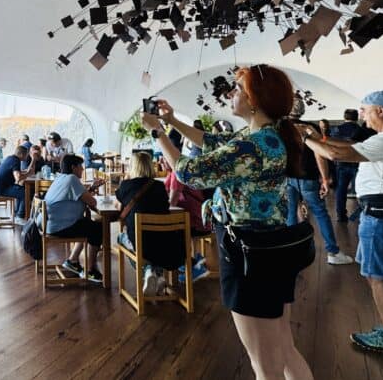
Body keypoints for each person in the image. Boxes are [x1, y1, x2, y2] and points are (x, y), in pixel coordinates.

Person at [142, 64, 315, 380]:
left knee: (263, 362)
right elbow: (212, 142)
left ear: (254, 99)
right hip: (270, 245)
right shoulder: (265, 136)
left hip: (247, 251)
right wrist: (171, 120)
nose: (230, 94)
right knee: (284, 348)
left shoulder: (253, 144)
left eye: (237, 89)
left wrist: (158, 133)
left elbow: (189, 172)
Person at [303, 91, 383, 356]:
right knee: (380, 273)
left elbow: (336, 154)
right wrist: (319, 137)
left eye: (364, 110)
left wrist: (305, 138)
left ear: (380, 111)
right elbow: (343, 146)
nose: (361, 115)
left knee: (378, 276)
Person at [285, 99, 355, 265]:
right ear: (302, 110)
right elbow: (319, 154)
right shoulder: (309, 128)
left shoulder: (280, 128)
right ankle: (333, 252)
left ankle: (290, 251)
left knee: (290, 212)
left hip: (287, 177)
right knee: (321, 213)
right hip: (308, 177)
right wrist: (325, 178)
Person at [115, 151, 186, 295]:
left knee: (120, 238)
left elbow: (118, 207)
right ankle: (158, 275)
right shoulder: (159, 186)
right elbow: (165, 207)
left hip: (140, 242)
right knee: (151, 244)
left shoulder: (126, 185)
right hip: (166, 242)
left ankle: (147, 270)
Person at [42, 154, 106, 283]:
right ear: (73, 167)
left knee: (86, 224)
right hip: (60, 227)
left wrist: (92, 188)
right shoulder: (72, 179)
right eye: (80, 166)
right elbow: (92, 202)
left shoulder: (61, 178)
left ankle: (72, 260)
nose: (82, 169)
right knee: (97, 229)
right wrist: (91, 193)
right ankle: (90, 270)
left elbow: (78, 195)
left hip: (50, 224)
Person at [330, 109, 363, 222]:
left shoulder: (336, 130)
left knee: (341, 190)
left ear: (344, 116)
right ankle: (360, 215)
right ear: (356, 117)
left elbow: (332, 146)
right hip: (358, 164)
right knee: (361, 191)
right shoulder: (361, 130)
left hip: (341, 163)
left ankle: (341, 215)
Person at [0, 145, 36, 224]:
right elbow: (18, 177)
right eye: (26, 155)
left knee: (21, 190)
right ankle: (19, 217)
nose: (27, 157)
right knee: (26, 193)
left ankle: (17, 214)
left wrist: (27, 172)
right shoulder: (16, 160)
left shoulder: (10, 158)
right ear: (22, 154)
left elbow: (17, 172)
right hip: (2, 189)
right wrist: (28, 174)